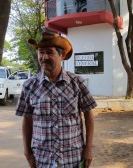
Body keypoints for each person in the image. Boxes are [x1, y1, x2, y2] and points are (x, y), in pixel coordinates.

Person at [15, 32, 97, 168]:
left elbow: (88, 115)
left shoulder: (77, 82)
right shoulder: (29, 86)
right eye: (41, 52)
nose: (44, 57)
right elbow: (27, 119)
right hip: (42, 157)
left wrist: (88, 149)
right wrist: (27, 152)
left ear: (62, 55)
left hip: (72, 157)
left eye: (49, 52)